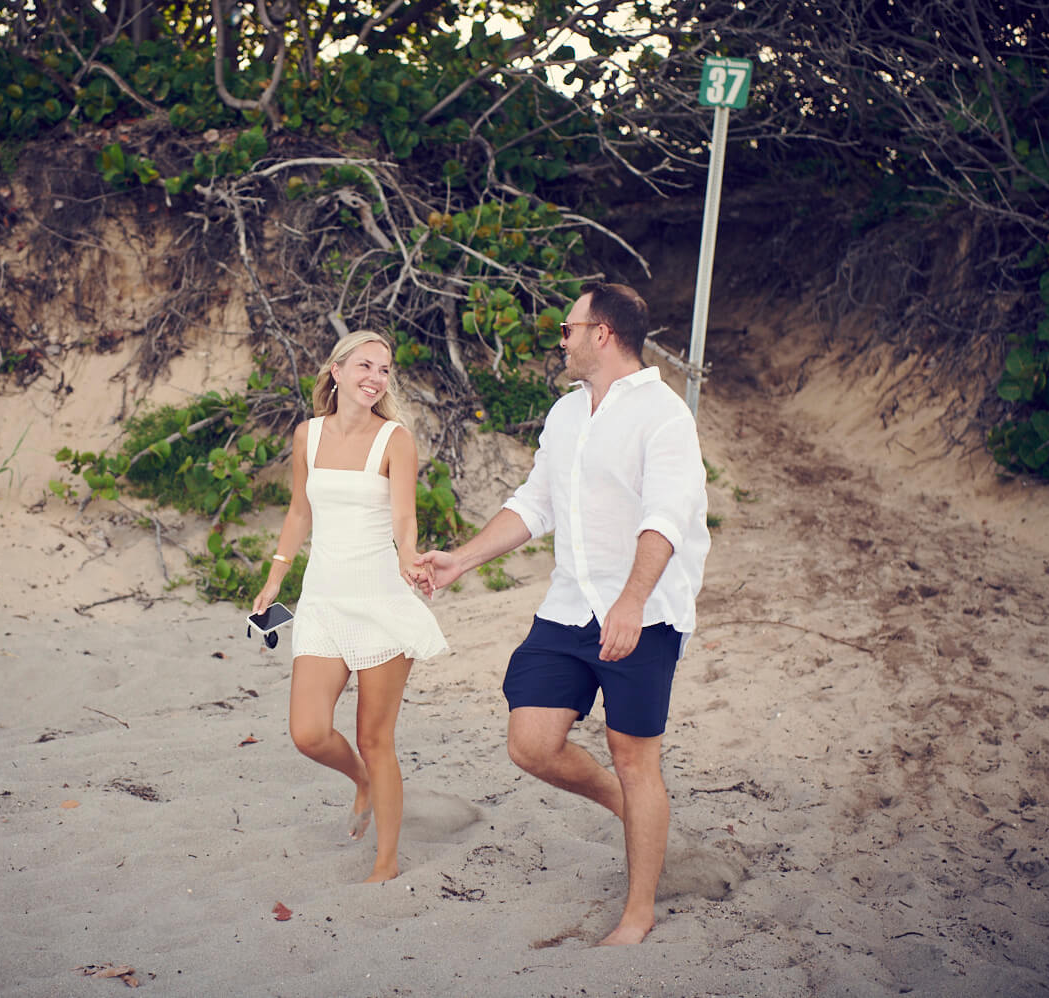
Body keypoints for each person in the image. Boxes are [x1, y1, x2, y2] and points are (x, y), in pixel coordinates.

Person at [416, 282, 710, 944]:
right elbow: (535, 503)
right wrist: (462, 559)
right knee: (531, 743)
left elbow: (668, 515)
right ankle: (624, 806)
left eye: (569, 329)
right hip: (570, 605)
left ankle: (638, 912)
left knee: (635, 756)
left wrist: (632, 601)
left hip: (645, 609)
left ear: (602, 334)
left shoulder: (664, 416)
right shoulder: (566, 415)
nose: (561, 339)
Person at [252, 330, 448, 884]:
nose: (375, 378)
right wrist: (275, 579)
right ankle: (361, 781)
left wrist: (411, 558)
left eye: (384, 370)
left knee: (375, 737)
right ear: (335, 371)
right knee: (308, 732)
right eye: (365, 365)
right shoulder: (307, 435)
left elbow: (404, 519)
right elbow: (297, 513)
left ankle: (386, 862)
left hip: (379, 600)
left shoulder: (396, 439)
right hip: (321, 602)